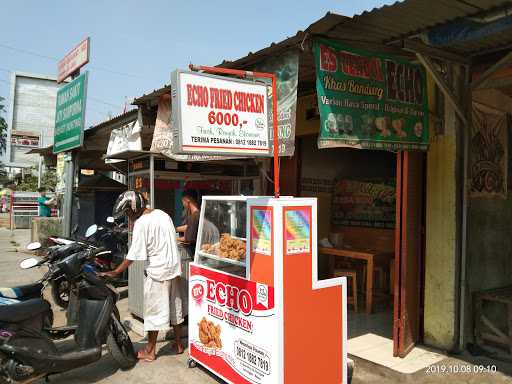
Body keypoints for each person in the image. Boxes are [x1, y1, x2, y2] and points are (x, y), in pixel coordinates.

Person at [102, 191, 185, 361]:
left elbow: (133, 255)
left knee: (153, 313)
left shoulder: (141, 223)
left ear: (134, 208)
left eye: (127, 213)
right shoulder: (163, 214)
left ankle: (150, 351)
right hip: (174, 269)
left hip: (158, 272)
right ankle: (178, 344)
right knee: (175, 307)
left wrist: (116, 272)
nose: (127, 217)